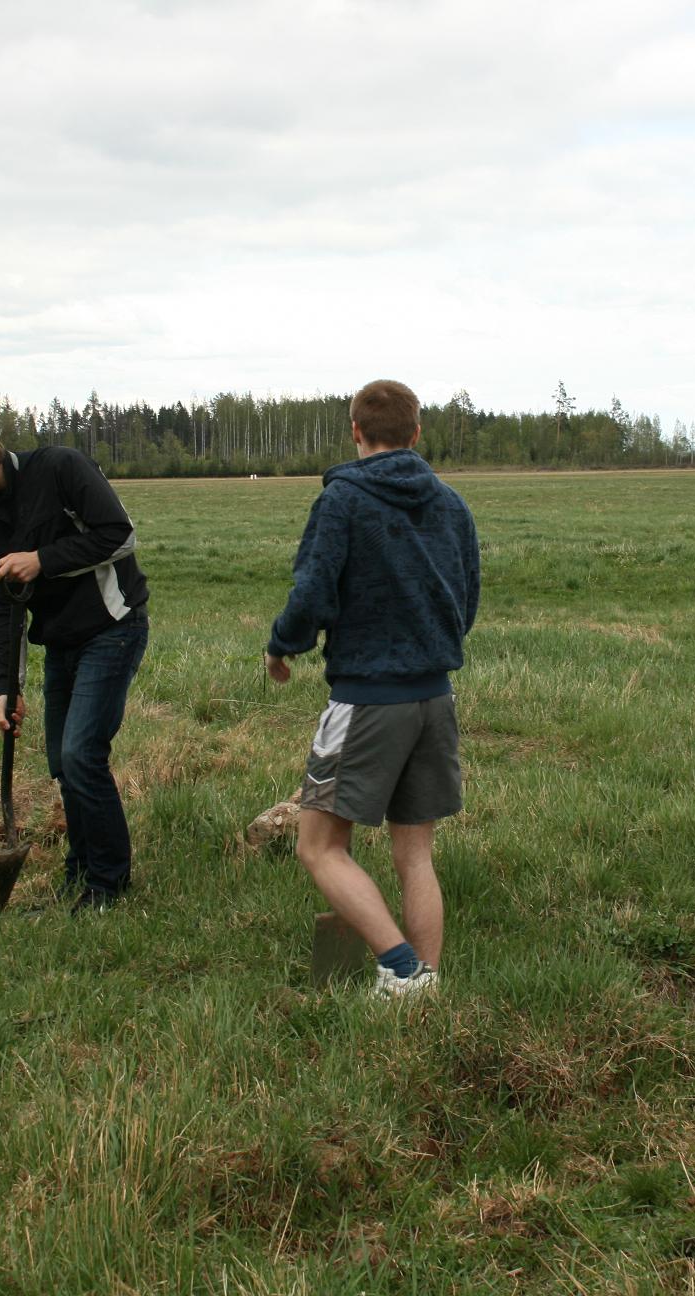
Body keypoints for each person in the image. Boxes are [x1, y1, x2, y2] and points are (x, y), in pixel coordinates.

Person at [264, 380, 480, 998]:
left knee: (319, 846)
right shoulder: (451, 504)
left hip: (367, 699)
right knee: (415, 855)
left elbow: (312, 591)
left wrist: (283, 645)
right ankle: (424, 987)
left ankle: (403, 969)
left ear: (356, 432)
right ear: (416, 434)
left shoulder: (343, 501)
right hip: (435, 697)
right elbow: (466, 599)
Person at [0, 413, 150, 912]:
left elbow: (120, 535)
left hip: (113, 627)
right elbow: (2, 611)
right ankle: (80, 871)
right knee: (62, 765)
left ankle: (108, 884)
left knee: (81, 755)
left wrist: (41, 559)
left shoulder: (60, 468)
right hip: (61, 643)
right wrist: (8, 686)